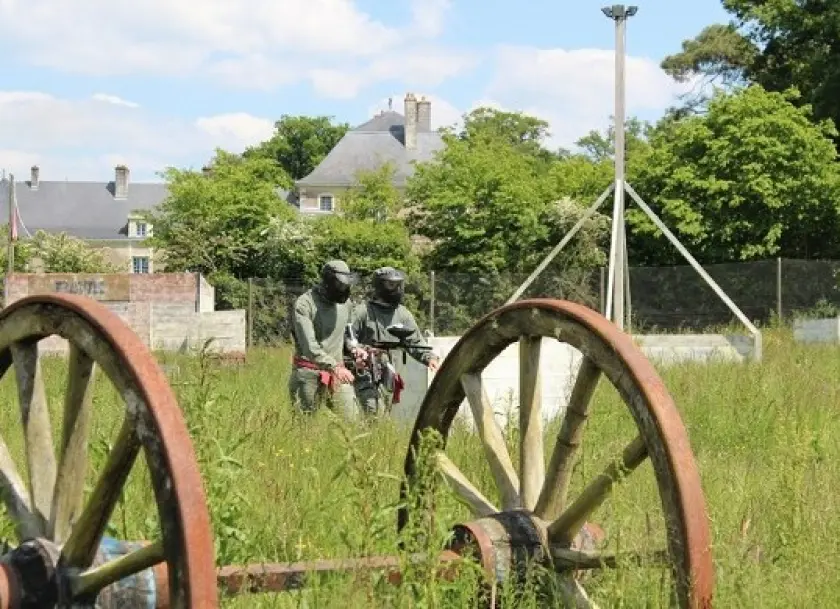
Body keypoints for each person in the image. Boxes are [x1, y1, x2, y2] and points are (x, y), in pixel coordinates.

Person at [347, 266, 440, 416]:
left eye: (398, 285)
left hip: (388, 371)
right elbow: (349, 337)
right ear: (380, 286)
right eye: (391, 285)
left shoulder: (402, 313)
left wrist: (429, 358)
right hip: (365, 369)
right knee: (372, 411)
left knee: (384, 412)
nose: (396, 289)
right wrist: (359, 351)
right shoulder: (363, 311)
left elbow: (415, 341)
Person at [288, 259, 359, 417]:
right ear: (328, 282)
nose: (344, 289)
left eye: (346, 284)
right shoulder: (305, 304)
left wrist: (356, 350)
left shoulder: (346, 304)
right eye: (340, 285)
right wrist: (334, 367)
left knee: (352, 423)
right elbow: (309, 347)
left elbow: (348, 333)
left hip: (338, 374)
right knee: (305, 430)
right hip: (308, 374)